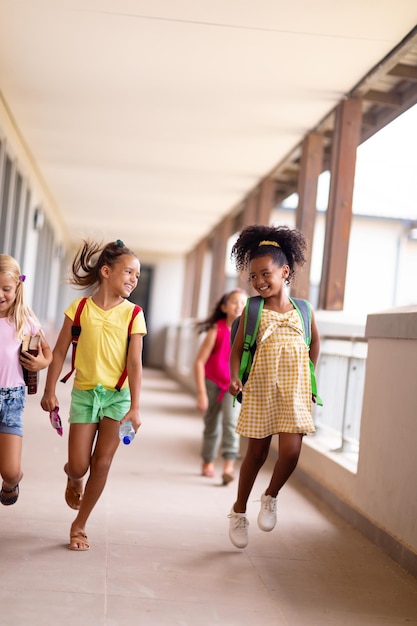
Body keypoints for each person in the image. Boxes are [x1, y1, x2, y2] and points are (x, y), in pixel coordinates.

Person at [40, 239, 147, 551]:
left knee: (102, 463)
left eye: (137, 276)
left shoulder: (134, 314)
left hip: (118, 398)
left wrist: (135, 408)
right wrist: (50, 391)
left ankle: (79, 525)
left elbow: (135, 363)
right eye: (128, 272)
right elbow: (60, 351)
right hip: (86, 394)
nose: (133, 279)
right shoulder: (80, 308)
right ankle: (73, 480)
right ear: (106, 271)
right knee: (78, 466)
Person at [227, 225, 320, 548]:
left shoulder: (304, 310)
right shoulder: (254, 309)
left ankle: (270, 495)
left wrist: (310, 379)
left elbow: (313, 346)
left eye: (265, 274)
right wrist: (234, 376)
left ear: (284, 271)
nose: (258, 282)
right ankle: (239, 511)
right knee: (256, 454)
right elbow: (237, 349)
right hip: (261, 390)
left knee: (292, 452)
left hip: (294, 392)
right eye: (252, 277)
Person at [0, 254, 52, 506]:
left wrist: (41, 363)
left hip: (11, 400)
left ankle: (11, 483)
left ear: (17, 287)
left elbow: (47, 352)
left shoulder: (26, 321)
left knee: (9, 471)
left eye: (6, 288)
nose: (0, 294)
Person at [194, 289, 247, 484]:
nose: (238, 306)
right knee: (211, 424)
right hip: (212, 383)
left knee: (230, 423)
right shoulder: (216, 330)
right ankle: (207, 461)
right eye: (234, 302)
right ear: (224, 307)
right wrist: (201, 393)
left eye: (243, 303)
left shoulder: (247, 333)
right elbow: (199, 362)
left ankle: (228, 466)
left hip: (233, 386)